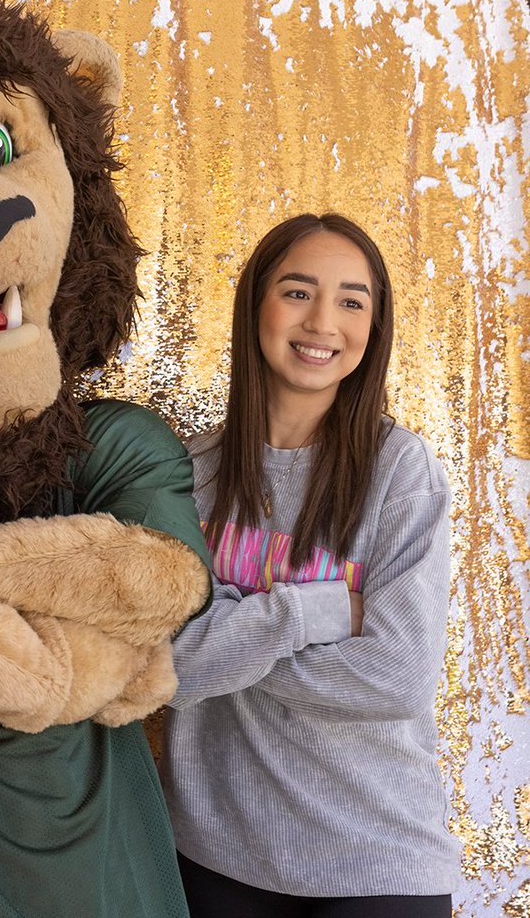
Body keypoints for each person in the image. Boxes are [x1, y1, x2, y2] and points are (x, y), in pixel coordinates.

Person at [162, 213, 458, 917]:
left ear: (374, 326)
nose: (323, 321)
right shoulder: (186, 474)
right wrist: (315, 611)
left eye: (352, 301)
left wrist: (226, 639)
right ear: (256, 303)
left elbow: (399, 674)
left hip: (378, 858)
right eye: (298, 291)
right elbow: (162, 667)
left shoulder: (399, 471)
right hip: (216, 853)